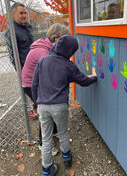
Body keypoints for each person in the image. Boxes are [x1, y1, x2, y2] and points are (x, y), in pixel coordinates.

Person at [31, 35, 97, 176]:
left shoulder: (42, 61)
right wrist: (94, 76)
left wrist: (37, 102)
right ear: (70, 51)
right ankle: (67, 158)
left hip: (42, 105)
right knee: (62, 133)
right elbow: (84, 81)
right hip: (59, 106)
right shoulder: (69, 66)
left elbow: (34, 84)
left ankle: (47, 169)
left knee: (46, 138)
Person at [22, 23, 71, 157]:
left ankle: (54, 131)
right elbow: (53, 73)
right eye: (64, 39)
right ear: (56, 39)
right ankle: (43, 143)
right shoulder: (43, 52)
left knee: (49, 108)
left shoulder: (48, 48)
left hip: (38, 82)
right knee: (45, 113)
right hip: (31, 84)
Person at [5, 2, 37, 118]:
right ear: (13, 14)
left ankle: (35, 103)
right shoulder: (11, 32)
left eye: (25, 13)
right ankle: (28, 109)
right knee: (25, 87)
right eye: (21, 13)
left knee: (36, 85)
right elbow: (12, 54)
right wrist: (19, 69)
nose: (24, 15)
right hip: (23, 66)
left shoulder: (28, 26)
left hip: (34, 64)